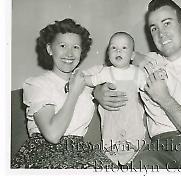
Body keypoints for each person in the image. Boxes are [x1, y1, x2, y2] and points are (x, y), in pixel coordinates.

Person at [93, 0, 181, 169]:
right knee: (142, 164)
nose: (161, 33)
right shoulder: (145, 64)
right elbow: (101, 73)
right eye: (154, 28)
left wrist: (164, 98)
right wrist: (98, 92)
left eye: (167, 23)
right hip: (160, 148)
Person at [11, 18, 115, 169]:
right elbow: (53, 135)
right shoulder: (36, 84)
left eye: (75, 47)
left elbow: (120, 65)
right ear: (50, 49)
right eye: (62, 45)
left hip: (81, 152)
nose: (69, 53)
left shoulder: (85, 81)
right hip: (45, 153)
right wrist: (73, 93)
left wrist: (98, 90)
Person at [83, 32, 147, 165]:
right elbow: (91, 80)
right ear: (108, 54)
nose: (118, 50)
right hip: (112, 119)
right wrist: (80, 80)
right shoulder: (106, 72)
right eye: (114, 48)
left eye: (124, 48)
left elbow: (149, 88)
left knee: (135, 142)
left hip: (131, 118)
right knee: (110, 143)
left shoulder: (137, 72)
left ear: (132, 55)